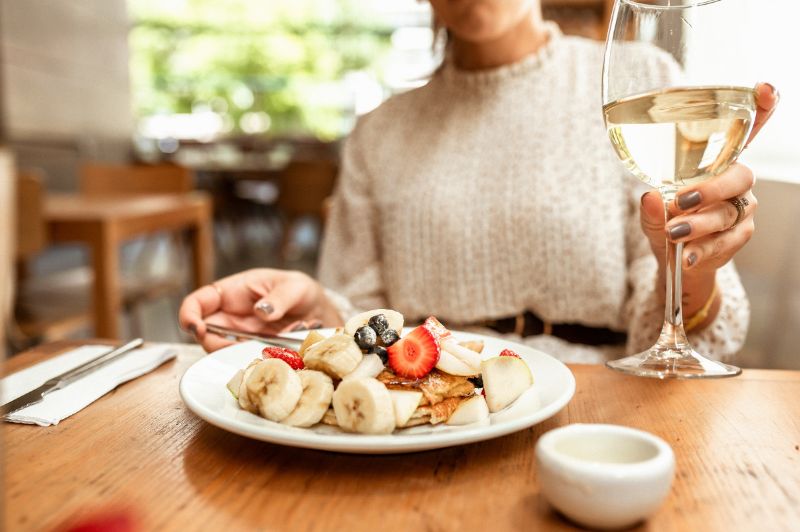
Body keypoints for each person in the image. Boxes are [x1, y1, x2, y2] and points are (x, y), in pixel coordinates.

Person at [179, 0, 778, 363]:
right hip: (422, 422)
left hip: (599, 413)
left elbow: (701, 343)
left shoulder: (638, 81)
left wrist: (689, 270)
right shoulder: (379, 132)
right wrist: (314, 313)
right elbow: (360, 318)